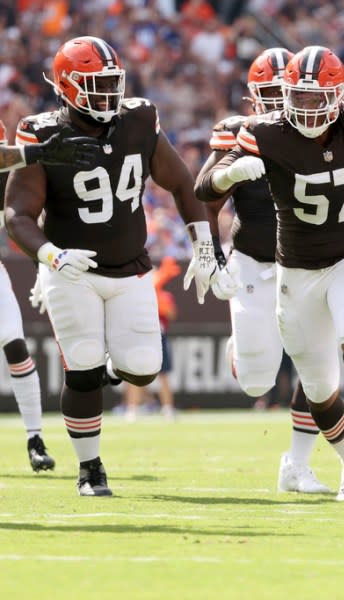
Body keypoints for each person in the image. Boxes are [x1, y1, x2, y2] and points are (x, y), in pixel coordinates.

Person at [196, 45, 344, 501]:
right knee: (263, 380)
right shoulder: (257, 132)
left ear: (338, 95)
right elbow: (203, 189)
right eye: (291, 96)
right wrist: (213, 232)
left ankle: (338, 441)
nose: (302, 107)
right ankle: (247, 348)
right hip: (280, 265)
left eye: (315, 97)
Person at [4, 36, 237, 497]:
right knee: (84, 365)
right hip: (72, 269)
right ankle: (90, 469)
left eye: (112, 83)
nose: (107, 95)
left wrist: (204, 244)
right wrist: (50, 256)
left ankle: (104, 373)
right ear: (68, 87)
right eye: (95, 85)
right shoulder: (40, 131)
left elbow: (180, 182)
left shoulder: (139, 118)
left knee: (144, 367)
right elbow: (17, 215)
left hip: (130, 267)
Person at [196, 48, 329, 494]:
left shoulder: (321, 132)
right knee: (256, 381)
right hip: (255, 261)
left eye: (283, 92)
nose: (276, 102)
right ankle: (243, 347)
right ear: (254, 97)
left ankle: (297, 463)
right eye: (268, 94)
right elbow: (204, 200)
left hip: (309, 266)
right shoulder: (239, 133)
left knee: (319, 370)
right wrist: (209, 254)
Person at [1, 119, 99, 472]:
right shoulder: (13, 159)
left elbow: (23, 221)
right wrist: (37, 152)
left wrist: (45, 266)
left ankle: (34, 438)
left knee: (14, 343)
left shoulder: (10, 177)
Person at [123, 256, 181, 422]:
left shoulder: (164, 296)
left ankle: (168, 408)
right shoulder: (134, 295)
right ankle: (132, 409)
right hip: (139, 335)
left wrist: (159, 299)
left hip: (158, 336)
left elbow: (171, 314)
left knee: (163, 375)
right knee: (133, 373)